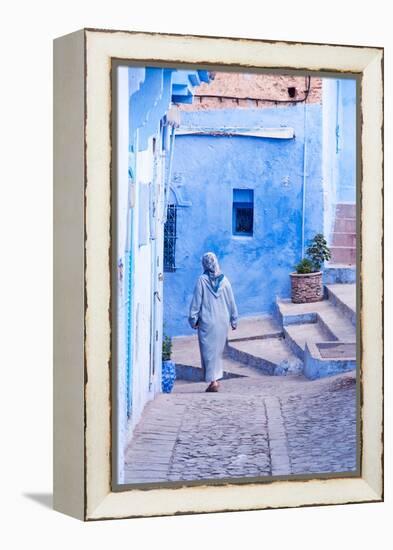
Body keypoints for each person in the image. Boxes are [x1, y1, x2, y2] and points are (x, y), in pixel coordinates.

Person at [188, 252, 238, 392]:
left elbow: (196, 301)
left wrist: (193, 319)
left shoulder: (202, 280)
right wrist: (234, 319)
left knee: (208, 353)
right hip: (222, 321)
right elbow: (231, 302)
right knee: (216, 352)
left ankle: (213, 381)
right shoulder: (225, 280)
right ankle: (214, 380)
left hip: (207, 322)